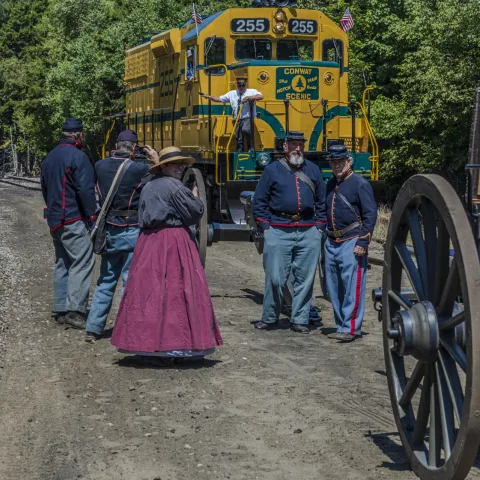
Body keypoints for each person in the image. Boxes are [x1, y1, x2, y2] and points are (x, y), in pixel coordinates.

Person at [110, 146, 223, 364]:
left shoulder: (149, 185)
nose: (180, 167)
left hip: (148, 243)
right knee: (177, 292)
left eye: (181, 164)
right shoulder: (174, 186)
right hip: (172, 242)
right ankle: (174, 347)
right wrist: (195, 198)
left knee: (149, 292)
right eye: (175, 164)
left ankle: (147, 346)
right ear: (164, 166)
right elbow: (195, 212)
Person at [84, 130, 157, 342]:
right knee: (129, 282)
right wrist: (155, 159)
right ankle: (127, 328)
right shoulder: (140, 169)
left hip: (108, 231)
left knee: (106, 280)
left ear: (116, 145)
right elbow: (161, 178)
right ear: (134, 148)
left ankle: (94, 327)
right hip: (132, 229)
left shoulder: (99, 165)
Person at [252, 131, 326, 334]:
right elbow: (259, 201)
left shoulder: (314, 170)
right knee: (275, 278)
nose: (297, 148)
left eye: (300, 144)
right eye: (293, 144)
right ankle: (269, 318)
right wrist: (266, 227)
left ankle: (300, 319)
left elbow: (321, 200)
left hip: (308, 229)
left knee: (305, 278)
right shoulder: (272, 170)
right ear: (285, 147)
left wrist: (319, 227)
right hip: (278, 228)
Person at [40, 118, 96, 330]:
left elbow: (45, 189)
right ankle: (76, 310)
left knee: (63, 262)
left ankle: (61, 307)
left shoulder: (49, 157)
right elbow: (86, 191)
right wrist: (91, 216)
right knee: (83, 261)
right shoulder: (78, 157)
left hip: (55, 219)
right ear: (79, 135)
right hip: (72, 217)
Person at [324, 145, 377, 342]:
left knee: (352, 287)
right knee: (334, 287)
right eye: (333, 162)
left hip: (352, 239)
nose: (337, 165)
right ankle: (341, 325)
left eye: (340, 161)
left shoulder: (360, 183)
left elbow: (370, 215)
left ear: (348, 161)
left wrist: (363, 241)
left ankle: (351, 328)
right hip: (332, 240)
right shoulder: (330, 184)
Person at [201, 78, 263, 152]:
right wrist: (208, 96)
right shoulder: (232, 93)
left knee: (245, 130)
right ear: (237, 85)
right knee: (238, 138)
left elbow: (260, 96)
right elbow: (219, 99)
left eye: (243, 85)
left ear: (245, 85)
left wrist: (250, 97)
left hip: (247, 118)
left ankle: (251, 147)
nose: (241, 87)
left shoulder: (252, 91)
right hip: (236, 119)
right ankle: (239, 153)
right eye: (239, 86)